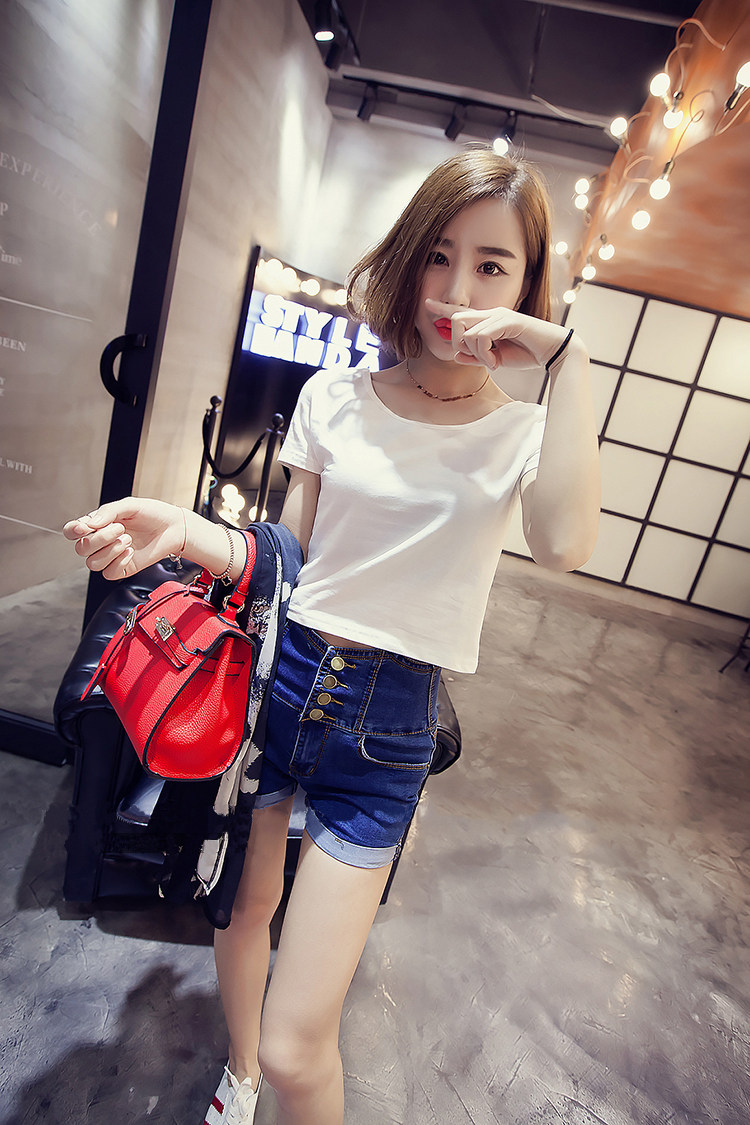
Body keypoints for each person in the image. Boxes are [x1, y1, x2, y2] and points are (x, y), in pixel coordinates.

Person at [64, 147, 600, 1125]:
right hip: (280, 685)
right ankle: (239, 1074)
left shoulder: (519, 433)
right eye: (439, 255)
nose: (457, 291)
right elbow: (288, 561)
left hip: (386, 730)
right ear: (410, 258)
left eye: (492, 265)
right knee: (242, 908)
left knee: (301, 1043)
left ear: (527, 286)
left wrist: (568, 363)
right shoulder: (335, 399)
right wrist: (182, 531)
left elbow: (566, 544)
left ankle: (267, 1064)